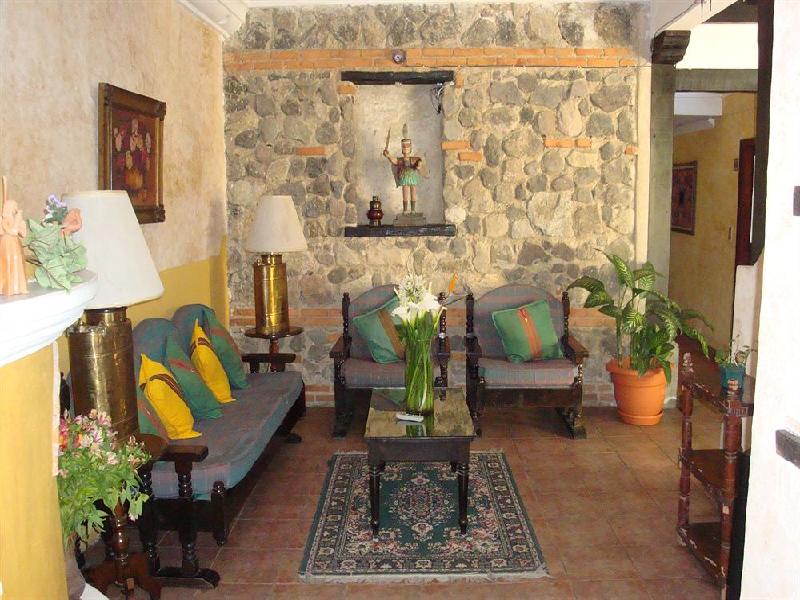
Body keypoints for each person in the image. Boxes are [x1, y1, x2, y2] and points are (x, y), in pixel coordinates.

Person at [383, 131, 424, 215]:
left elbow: (419, 163)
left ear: (411, 148)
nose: (406, 148)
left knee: (413, 191)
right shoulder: (401, 160)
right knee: (405, 192)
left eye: (408, 146)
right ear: (402, 148)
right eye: (404, 147)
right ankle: (405, 210)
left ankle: (413, 209)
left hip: (412, 177)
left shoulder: (414, 159)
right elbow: (394, 161)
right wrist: (388, 156)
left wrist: (419, 165)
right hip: (404, 177)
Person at [0, 195, 28, 295]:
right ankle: (8, 288)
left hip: (15, 244)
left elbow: (23, 234)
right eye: (14, 207)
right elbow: (12, 231)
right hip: (6, 244)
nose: (16, 209)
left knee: (17, 261)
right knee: (8, 263)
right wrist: (17, 221)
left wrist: (22, 223)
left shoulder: (17, 219)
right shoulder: (4, 220)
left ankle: (19, 287)